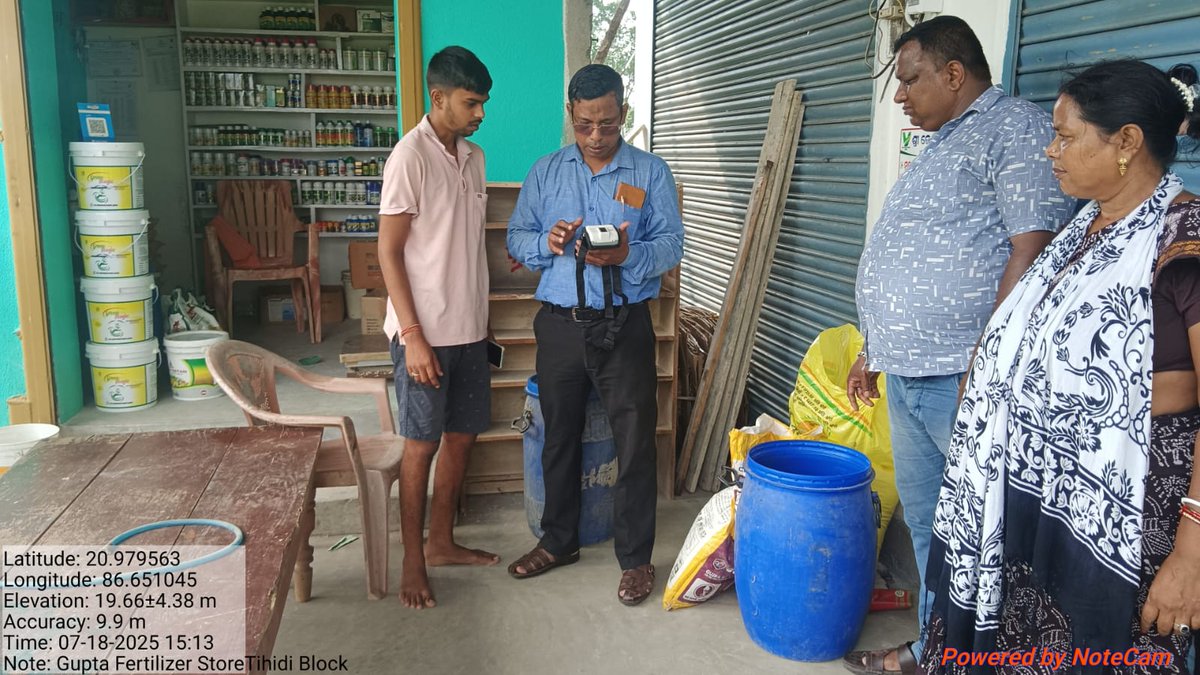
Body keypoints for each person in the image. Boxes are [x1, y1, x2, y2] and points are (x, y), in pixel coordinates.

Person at [919, 60, 1200, 674]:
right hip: (1024, 501)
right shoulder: (1085, 229)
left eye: (1067, 136)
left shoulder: (1185, 237)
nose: (1051, 151)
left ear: (1126, 141)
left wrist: (1194, 552)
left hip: (1118, 523)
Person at [843, 16, 1073, 674]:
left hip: (962, 378)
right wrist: (873, 345)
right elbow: (915, 253)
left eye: (910, 79)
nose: (898, 96)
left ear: (952, 74)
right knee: (932, 528)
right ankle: (935, 650)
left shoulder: (1015, 128)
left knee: (985, 530)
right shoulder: (945, 142)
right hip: (913, 372)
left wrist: (989, 360)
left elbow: (1030, 248)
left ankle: (986, 658)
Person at [505, 63, 684, 606]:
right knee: (558, 436)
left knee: (634, 444)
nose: (597, 136)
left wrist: (630, 254)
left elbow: (672, 244)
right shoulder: (546, 172)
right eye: (585, 125)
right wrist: (548, 240)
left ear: (622, 113)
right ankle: (558, 541)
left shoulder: (649, 173)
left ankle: (635, 559)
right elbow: (517, 237)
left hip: (625, 324)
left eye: (607, 123)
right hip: (560, 325)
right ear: (571, 117)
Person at [377, 46, 497, 610]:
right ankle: (412, 561)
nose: (479, 113)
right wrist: (412, 335)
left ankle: (442, 542)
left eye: (483, 104)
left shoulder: (473, 157)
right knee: (420, 445)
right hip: (423, 335)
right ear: (438, 97)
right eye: (471, 102)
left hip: (471, 332)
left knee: (462, 437)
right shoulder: (409, 157)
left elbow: (462, 243)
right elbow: (389, 253)